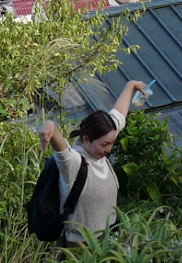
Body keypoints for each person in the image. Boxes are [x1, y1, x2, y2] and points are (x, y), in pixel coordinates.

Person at [37, 79, 150, 245]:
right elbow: (61, 149)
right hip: (81, 247)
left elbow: (118, 115)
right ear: (86, 139)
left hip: (109, 238)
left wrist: (131, 86)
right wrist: (50, 127)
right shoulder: (74, 162)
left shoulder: (103, 139)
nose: (109, 149)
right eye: (105, 144)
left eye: (112, 143)